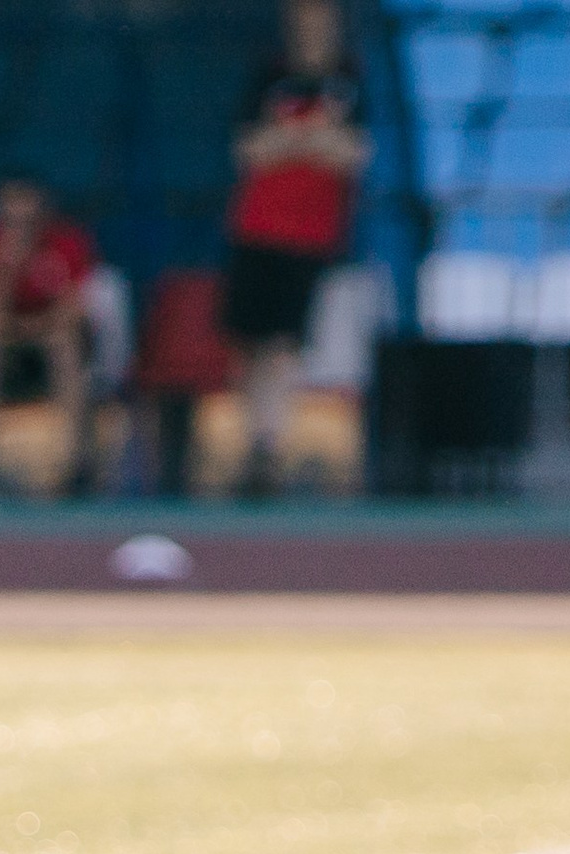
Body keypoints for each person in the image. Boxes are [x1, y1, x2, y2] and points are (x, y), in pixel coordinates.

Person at [225, 0, 370, 497]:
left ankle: (271, 447)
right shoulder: (269, 76)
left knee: (286, 342)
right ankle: (252, 444)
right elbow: (248, 151)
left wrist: (295, 140)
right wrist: (307, 137)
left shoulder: (350, 80)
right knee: (250, 343)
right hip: (255, 228)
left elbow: (353, 155)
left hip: (309, 236)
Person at [0, 173, 98, 492]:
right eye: (11, 201)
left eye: (25, 200)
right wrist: (5, 268)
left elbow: (76, 310)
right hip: (7, 350)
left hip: (48, 347)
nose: (19, 211)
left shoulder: (66, 243)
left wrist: (35, 327)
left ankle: (75, 464)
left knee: (65, 346)